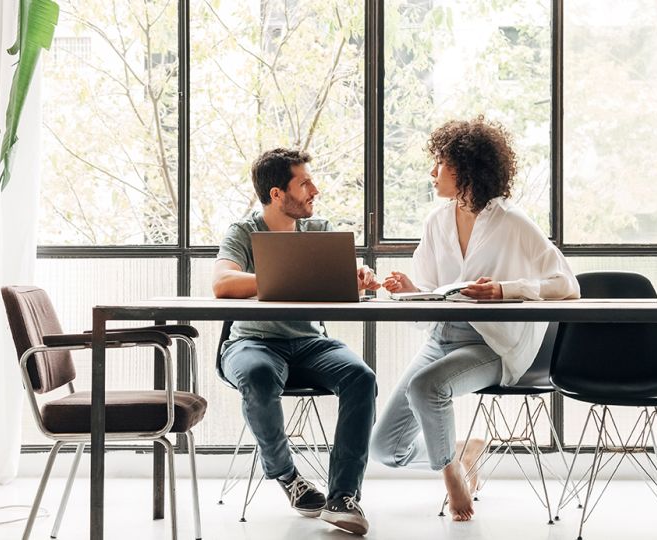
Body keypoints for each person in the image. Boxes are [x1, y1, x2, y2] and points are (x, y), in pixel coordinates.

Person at [370, 117, 579, 521]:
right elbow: (431, 290)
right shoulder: (436, 221)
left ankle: (453, 480)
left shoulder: (513, 222)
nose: (432, 173)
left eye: (440, 164)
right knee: (385, 449)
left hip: (490, 342)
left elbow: (566, 283)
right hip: (442, 336)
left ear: (465, 169)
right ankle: (462, 454)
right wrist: (410, 288)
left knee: (426, 386)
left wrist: (505, 289)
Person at [214, 147, 379, 535]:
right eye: (304, 183)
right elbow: (222, 283)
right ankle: (288, 476)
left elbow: (340, 276)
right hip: (252, 343)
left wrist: (356, 275)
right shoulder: (243, 232)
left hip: (310, 343)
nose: (314, 189)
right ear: (276, 194)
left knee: (361, 377)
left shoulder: (318, 230)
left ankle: (343, 496)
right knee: (257, 376)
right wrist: (280, 276)